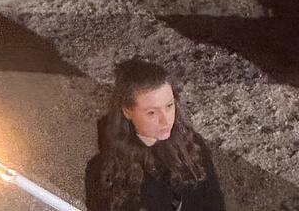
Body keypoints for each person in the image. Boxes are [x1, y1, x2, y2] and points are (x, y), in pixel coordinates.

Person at [85, 59, 226, 211]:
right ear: (127, 111)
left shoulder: (191, 145)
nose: (165, 120)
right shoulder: (104, 171)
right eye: (151, 112)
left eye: (169, 106)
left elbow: (214, 202)